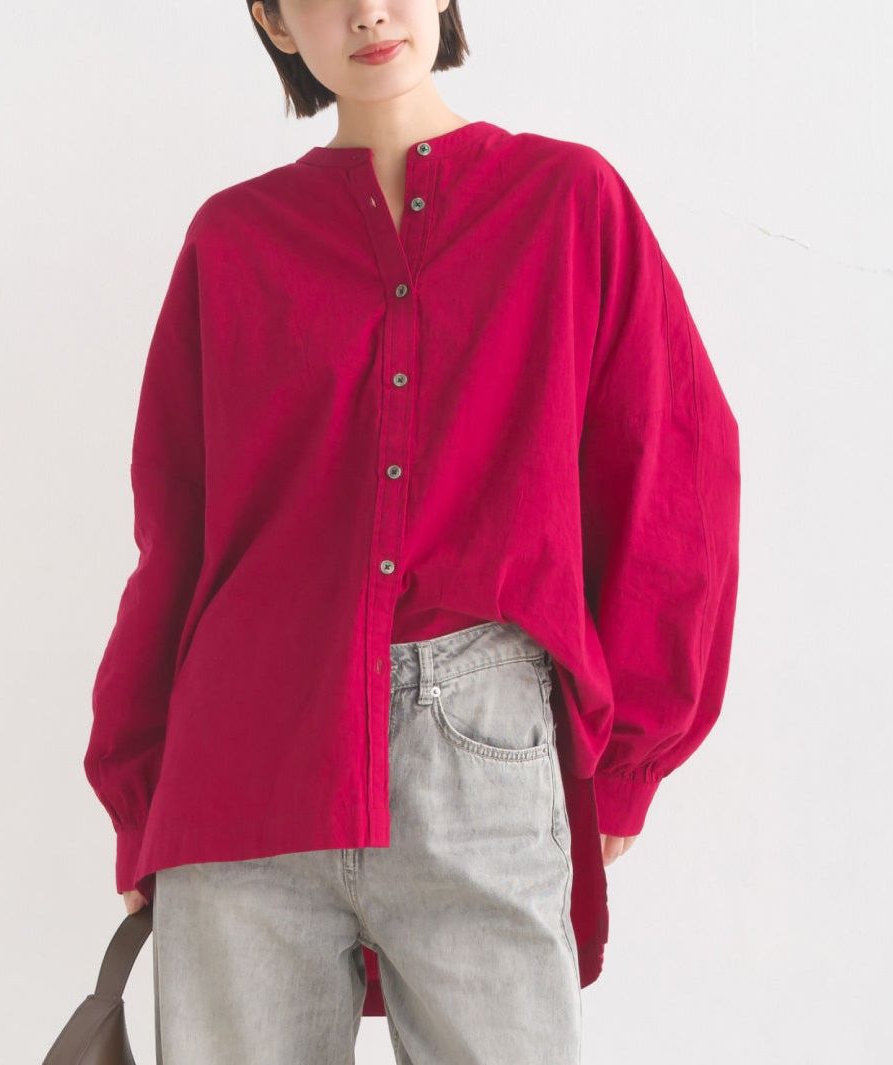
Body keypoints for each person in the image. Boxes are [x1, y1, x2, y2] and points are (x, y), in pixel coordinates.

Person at [83, 1, 741, 1062]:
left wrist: (632, 754)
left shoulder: (567, 201)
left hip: (480, 743)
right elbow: (177, 533)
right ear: (274, 21)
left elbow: (673, 471)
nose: (368, 11)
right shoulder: (233, 239)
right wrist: (138, 790)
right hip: (240, 760)